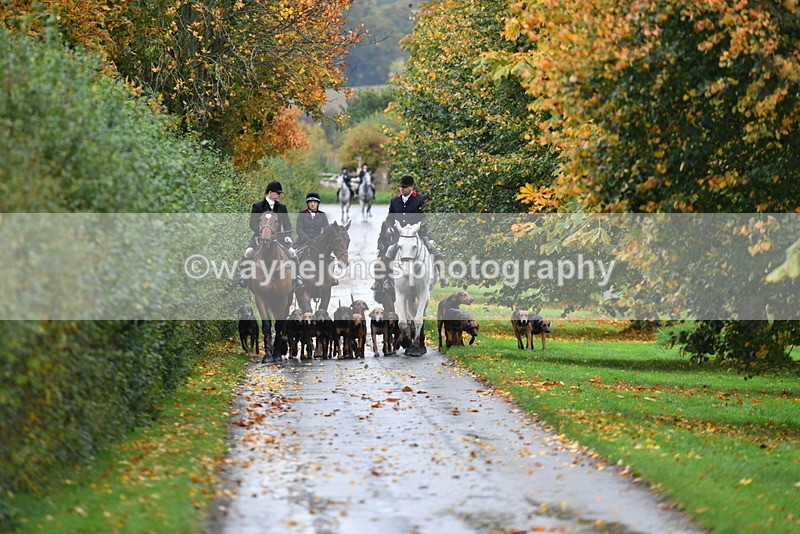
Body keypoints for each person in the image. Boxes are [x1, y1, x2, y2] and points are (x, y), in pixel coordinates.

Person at [372, 174, 448, 291]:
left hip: (419, 233)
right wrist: (389, 228)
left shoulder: (421, 199)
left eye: (404, 187)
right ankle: (388, 280)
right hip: (400, 234)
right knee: (389, 251)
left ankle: (442, 277)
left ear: (411, 187)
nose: (402, 189)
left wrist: (418, 226)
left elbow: (428, 216)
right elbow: (389, 219)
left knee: (433, 248)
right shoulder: (395, 201)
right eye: (400, 187)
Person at [237, 180, 303, 289]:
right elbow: (252, 223)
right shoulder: (257, 206)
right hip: (260, 237)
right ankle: (244, 277)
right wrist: (263, 232)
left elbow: (287, 225)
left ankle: (297, 277)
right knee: (248, 252)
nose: (280, 195)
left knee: (292, 253)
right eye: (278, 193)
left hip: (278, 238)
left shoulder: (282, 208)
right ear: (270, 192)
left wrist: (287, 235)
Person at [295, 191, 339, 286]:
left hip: (318, 242)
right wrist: (306, 238)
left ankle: (331, 277)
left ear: (318, 204)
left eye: (314, 202)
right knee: (293, 255)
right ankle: (296, 278)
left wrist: (320, 240)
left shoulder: (322, 215)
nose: (312, 204)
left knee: (331, 257)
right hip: (302, 241)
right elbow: (299, 229)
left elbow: (326, 230)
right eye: (310, 202)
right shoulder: (302, 214)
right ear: (307, 203)